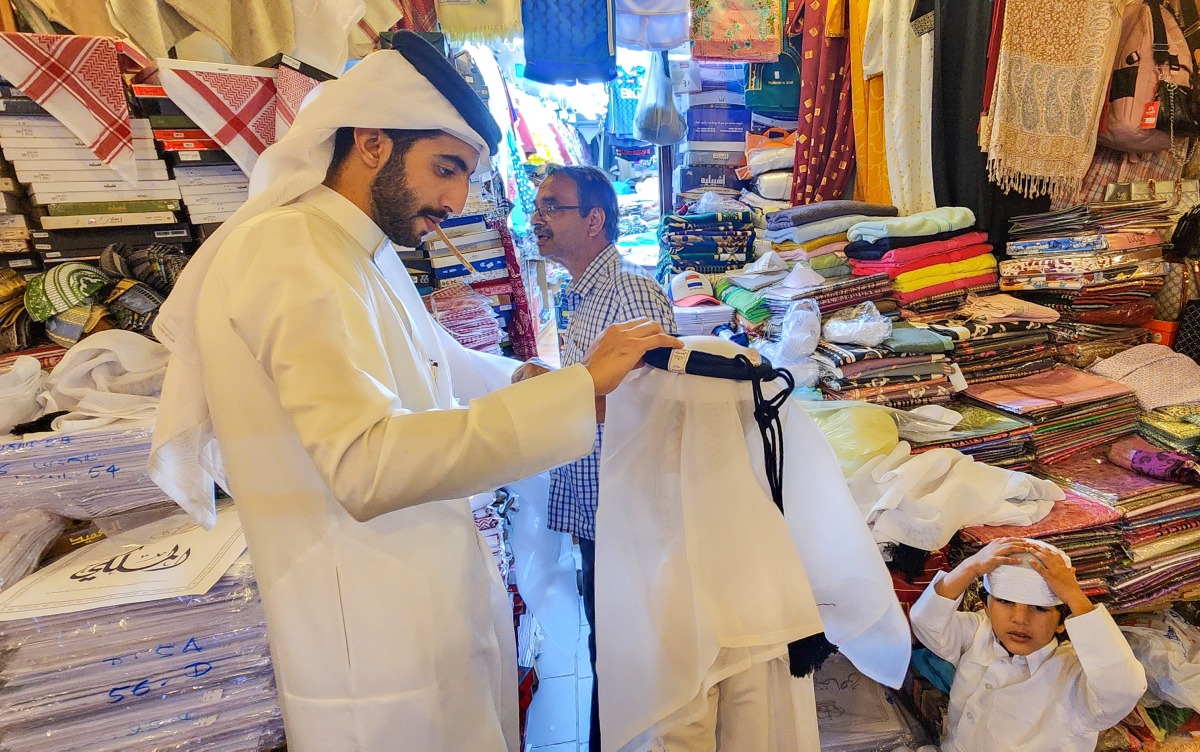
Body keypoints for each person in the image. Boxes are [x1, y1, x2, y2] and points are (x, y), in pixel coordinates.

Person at [148, 34, 680, 752]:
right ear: (371, 141)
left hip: (419, 601)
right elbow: (366, 463)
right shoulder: (285, 252)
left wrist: (532, 378)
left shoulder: (359, 249)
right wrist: (579, 388)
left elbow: (437, 359)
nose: (457, 200)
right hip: (368, 644)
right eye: (445, 168)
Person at [511, 164, 676, 749]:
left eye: (552, 206)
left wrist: (552, 393)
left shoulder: (627, 290)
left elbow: (650, 403)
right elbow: (603, 385)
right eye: (537, 205)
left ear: (595, 219)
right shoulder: (584, 293)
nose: (536, 217)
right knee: (607, 639)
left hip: (623, 504)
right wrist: (556, 381)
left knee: (621, 645)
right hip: (598, 500)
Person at [910, 537, 1146, 752]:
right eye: (1005, 601)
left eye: (1039, 608)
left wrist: (1073, 594)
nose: (1020, 619)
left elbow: (1123, 688)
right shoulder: (978, 633)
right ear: (986, 606)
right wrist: (971, 566)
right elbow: (926, 622)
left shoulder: (1073, 677)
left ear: (1062, 621)